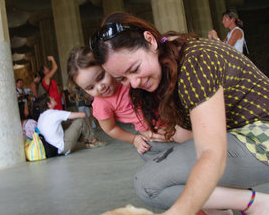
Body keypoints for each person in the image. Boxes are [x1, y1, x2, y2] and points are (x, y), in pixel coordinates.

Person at [90, 12, 269, 215]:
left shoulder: (196, 60)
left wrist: (177, 212)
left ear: (150, 41)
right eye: (122, 78)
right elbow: (187, 131)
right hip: (233, 133)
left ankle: (257, 204)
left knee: (149, 185)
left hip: (261, 136)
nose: (133, 83)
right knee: (152, 148)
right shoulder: (166, 60)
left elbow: (211, 153)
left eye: (135, 68)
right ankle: (220, 208)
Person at [66, 46, 192, 156]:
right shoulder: (101, 104)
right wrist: (134, 139)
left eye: (100, 77)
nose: (100, 87)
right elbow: (110, 129)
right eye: (90, 87)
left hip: (172, 111)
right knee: (190, 137)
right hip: (158, 127)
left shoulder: (125, 77)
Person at [36, 93, 106, 156]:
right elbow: (83, 114)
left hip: (53, 149)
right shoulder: (54, 113)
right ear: (48, 104)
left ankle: (85, 140)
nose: (54, 98)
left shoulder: (41, 116)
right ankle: (93, 140)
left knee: (66, 123)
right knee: (80, 121)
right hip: (63, 148)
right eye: (51, 98)